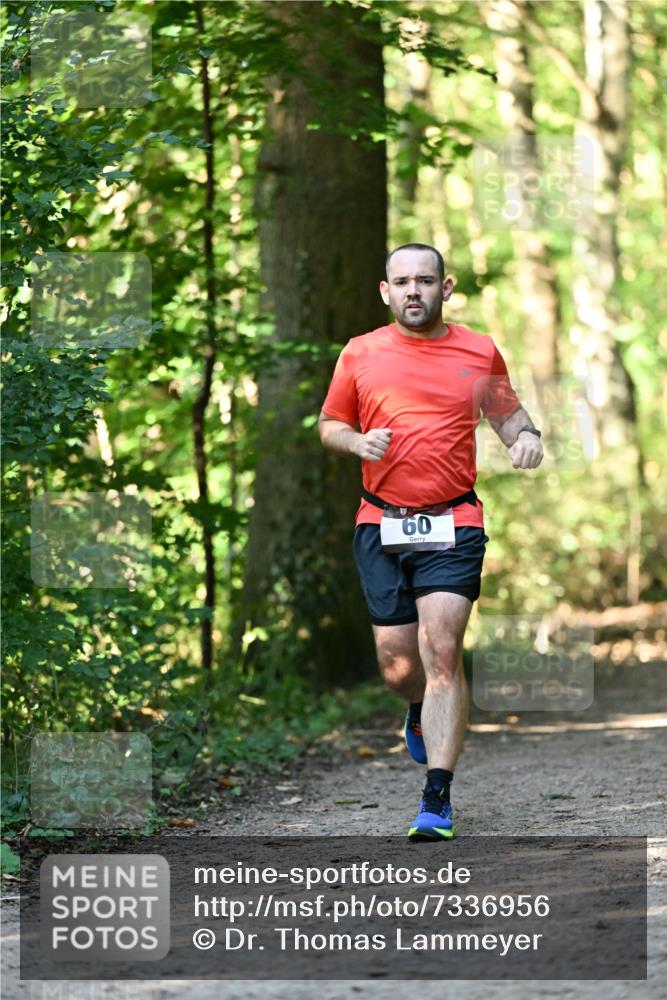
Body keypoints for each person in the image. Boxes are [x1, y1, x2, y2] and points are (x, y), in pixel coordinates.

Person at [318, 243, 543, 841]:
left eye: (425, 280)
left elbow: (509, 415)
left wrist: (528, 438)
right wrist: (354, 444)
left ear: (446, 288)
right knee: (399, 668)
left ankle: (436, 797)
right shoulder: (360, 354)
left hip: (454, 522)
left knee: (442, 651)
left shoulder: (477, 349)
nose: (413, 290)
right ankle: (416, 707)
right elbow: (329, 424)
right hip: (381, 522)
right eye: (402, 281)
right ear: (385, 292)